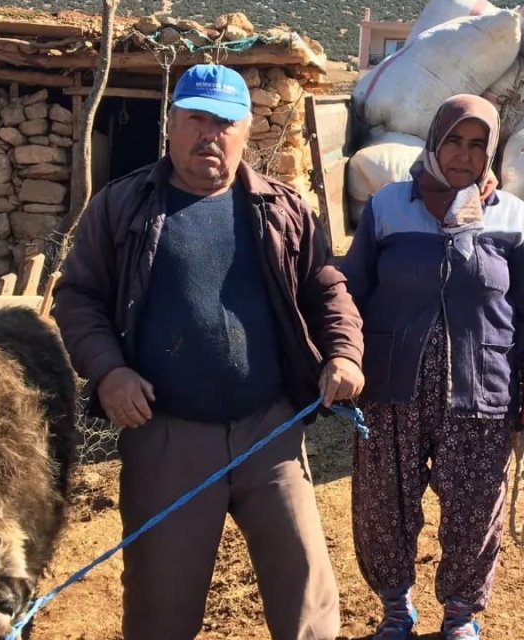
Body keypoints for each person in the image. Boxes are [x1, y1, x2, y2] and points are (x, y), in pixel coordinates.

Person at [50, 63, 366, 640]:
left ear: (247, 132)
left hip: (270, 432)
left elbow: (326, 285)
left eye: (224, 123)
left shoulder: (282, 209)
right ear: (170, 124)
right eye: (196, 118)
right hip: (166, 436)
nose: (208, 135)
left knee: (309, 608)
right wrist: (108, 371)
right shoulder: (124, 208)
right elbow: (77, 297)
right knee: (159, 614)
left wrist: (344, 353)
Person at [340, 94, 524, 640]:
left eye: (477, 143)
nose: (464, 154)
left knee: (475, 507)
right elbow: (351, 293)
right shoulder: (389, 207)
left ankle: (460, 614)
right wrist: (342, 358)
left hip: (482, 391)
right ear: (434, 144)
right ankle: (396, 609)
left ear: (491, 152)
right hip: (391, 388)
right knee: (382, 507)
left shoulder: (512, 217)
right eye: (454, 141)